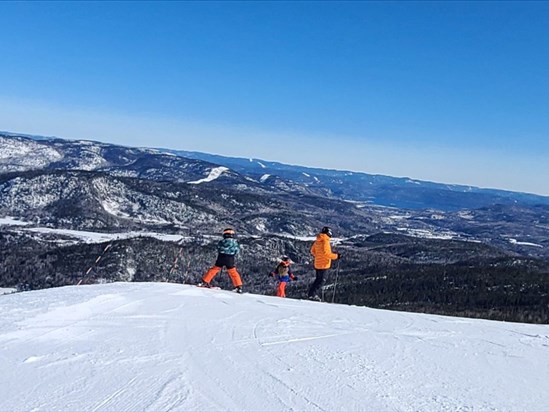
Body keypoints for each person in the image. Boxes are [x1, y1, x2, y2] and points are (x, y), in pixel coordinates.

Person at [199, 228, 243, 293]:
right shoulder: (235, 243)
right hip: (230, 259)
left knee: (214, 269)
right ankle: (238, 286)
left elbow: (218, 248)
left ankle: (205, 282)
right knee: (233, 272)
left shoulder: (222, 242)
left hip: (221, 257)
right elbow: (237, 251)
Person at [307, 226, 340, 301]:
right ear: (329, 233)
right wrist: (336, 256)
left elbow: (312, 251)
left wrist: (318, 257)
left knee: (318, 280)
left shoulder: (318, 240)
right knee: (322, 280)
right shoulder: (325, 241)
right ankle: (312, 295)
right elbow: (326, 253)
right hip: (324, 264)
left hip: (317, 263)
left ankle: (311, 294)